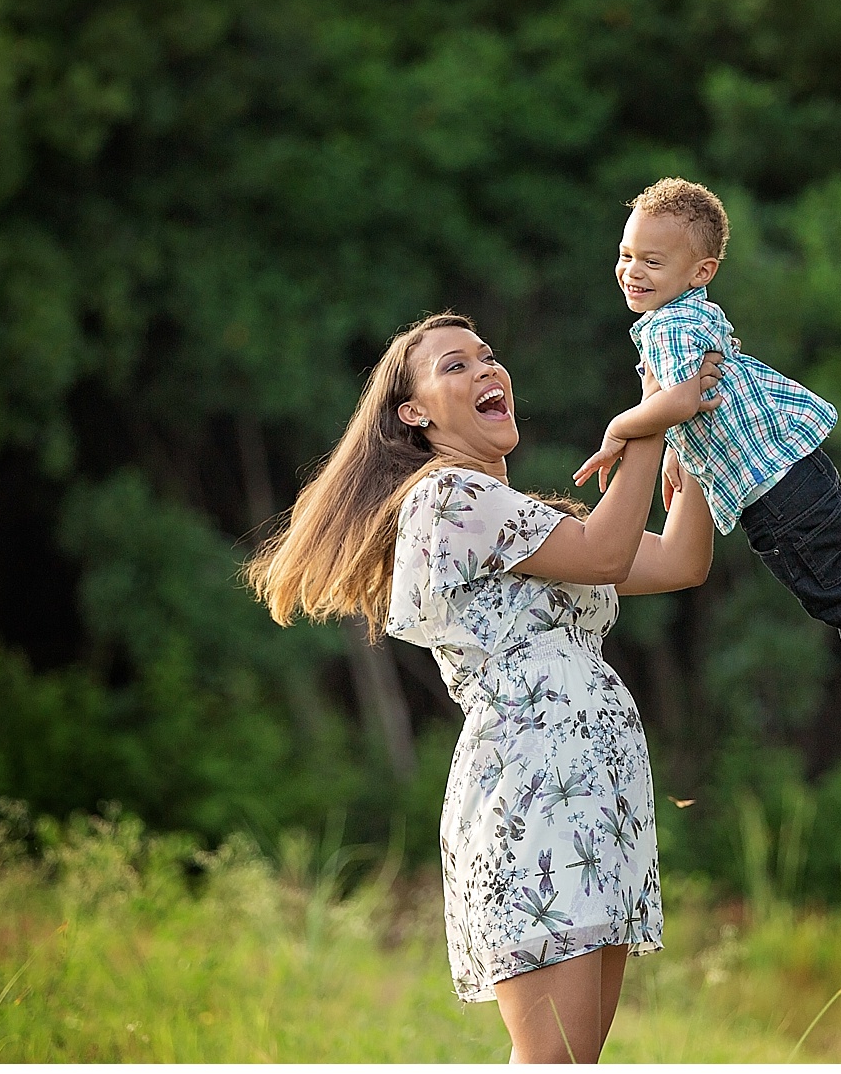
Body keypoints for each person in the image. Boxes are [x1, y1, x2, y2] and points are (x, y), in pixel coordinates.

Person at [248, 312, 722, 1063]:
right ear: (415, 413)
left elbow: (681, 560)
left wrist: (691, 437)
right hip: (534, 795)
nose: (485, 370)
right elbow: (605, 552)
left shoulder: (524, 519)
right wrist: (649, 420)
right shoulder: (447, 501)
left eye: (488, 357)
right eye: (454, 366)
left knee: (571, 1062)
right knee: (554, 1061)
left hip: (596, 798)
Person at [575, 178, 841, 760]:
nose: (633, 271)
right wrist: (678, 449)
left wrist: (620, 428)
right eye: (626, 256)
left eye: (652, 261)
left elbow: (678, 400)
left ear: (700, 271)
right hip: (800, 467)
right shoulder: (697, 315)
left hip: (771, 498)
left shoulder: (665, 327)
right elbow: (701, 393)